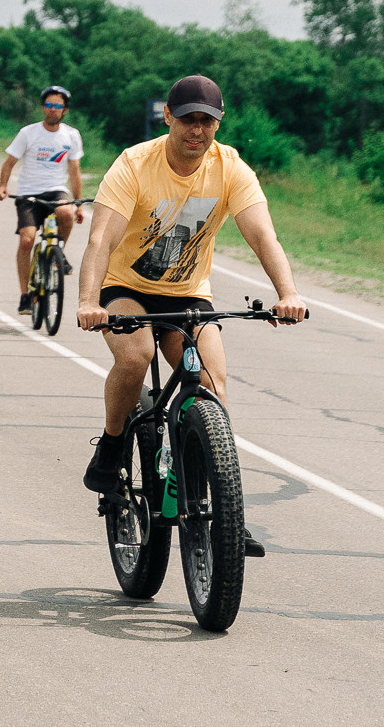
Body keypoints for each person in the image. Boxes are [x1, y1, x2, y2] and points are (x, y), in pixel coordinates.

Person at [73, 74, 308, 490]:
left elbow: (262, 236)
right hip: (125, 287)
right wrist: (89, 301)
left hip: (188, 293)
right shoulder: (134, 164)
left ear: (218, 121)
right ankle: (111, 443)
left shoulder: (230, 167)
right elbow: (100, 239)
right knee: (135, 355)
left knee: (212, 387)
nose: (197, 129)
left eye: (207, 120)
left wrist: (287, 294)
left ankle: (223, 509)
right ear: (168, 116)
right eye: (187, 119)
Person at [0, 85, 82, 313]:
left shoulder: (71, 136)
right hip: (28, 193)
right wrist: (3, 186)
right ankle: (25, 295)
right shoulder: (28, 133)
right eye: (49, 105)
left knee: (66, 212)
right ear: (43, 107)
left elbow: (74, 171)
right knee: (27, 241)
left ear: (65, 110)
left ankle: (59, 252)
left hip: (55, 189)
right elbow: (9, 163)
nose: (53, 110)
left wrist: (78, 202)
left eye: (58, 106)